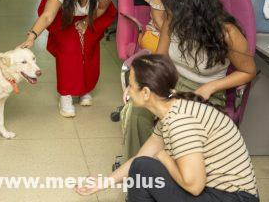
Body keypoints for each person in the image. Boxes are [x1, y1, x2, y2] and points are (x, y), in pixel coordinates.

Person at [75, 54, 259, 202]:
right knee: (142, 167)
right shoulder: (172, 109)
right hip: (220, 192)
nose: (127, 91)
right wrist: (104, 183)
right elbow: (142, 156)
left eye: (130, 86)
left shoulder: (180, 121)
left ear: (146, 93)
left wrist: (163, 157)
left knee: (144, 169)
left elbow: (194, 186)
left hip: (232, 197)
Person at [123, 0, 256, 160]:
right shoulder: (173, 19)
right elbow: (160, 58)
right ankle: (139, 173)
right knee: (137, 112)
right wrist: (139, 84)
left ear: (192, 8)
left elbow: (248, 71)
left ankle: (173, 175)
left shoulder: (227, 33)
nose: (167, 12)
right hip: (172, 83)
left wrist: (211, 86)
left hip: (205, 92)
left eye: (171, 8)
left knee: (180, 124)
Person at [19, 0, 116, 117]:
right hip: (63, 13)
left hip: (92, 14)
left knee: (88, 48)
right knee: (68, 49)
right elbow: (48, 15)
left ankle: (84, 89)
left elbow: (103, 7)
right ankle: (66, 95)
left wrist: (86, 21)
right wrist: (32, 36)